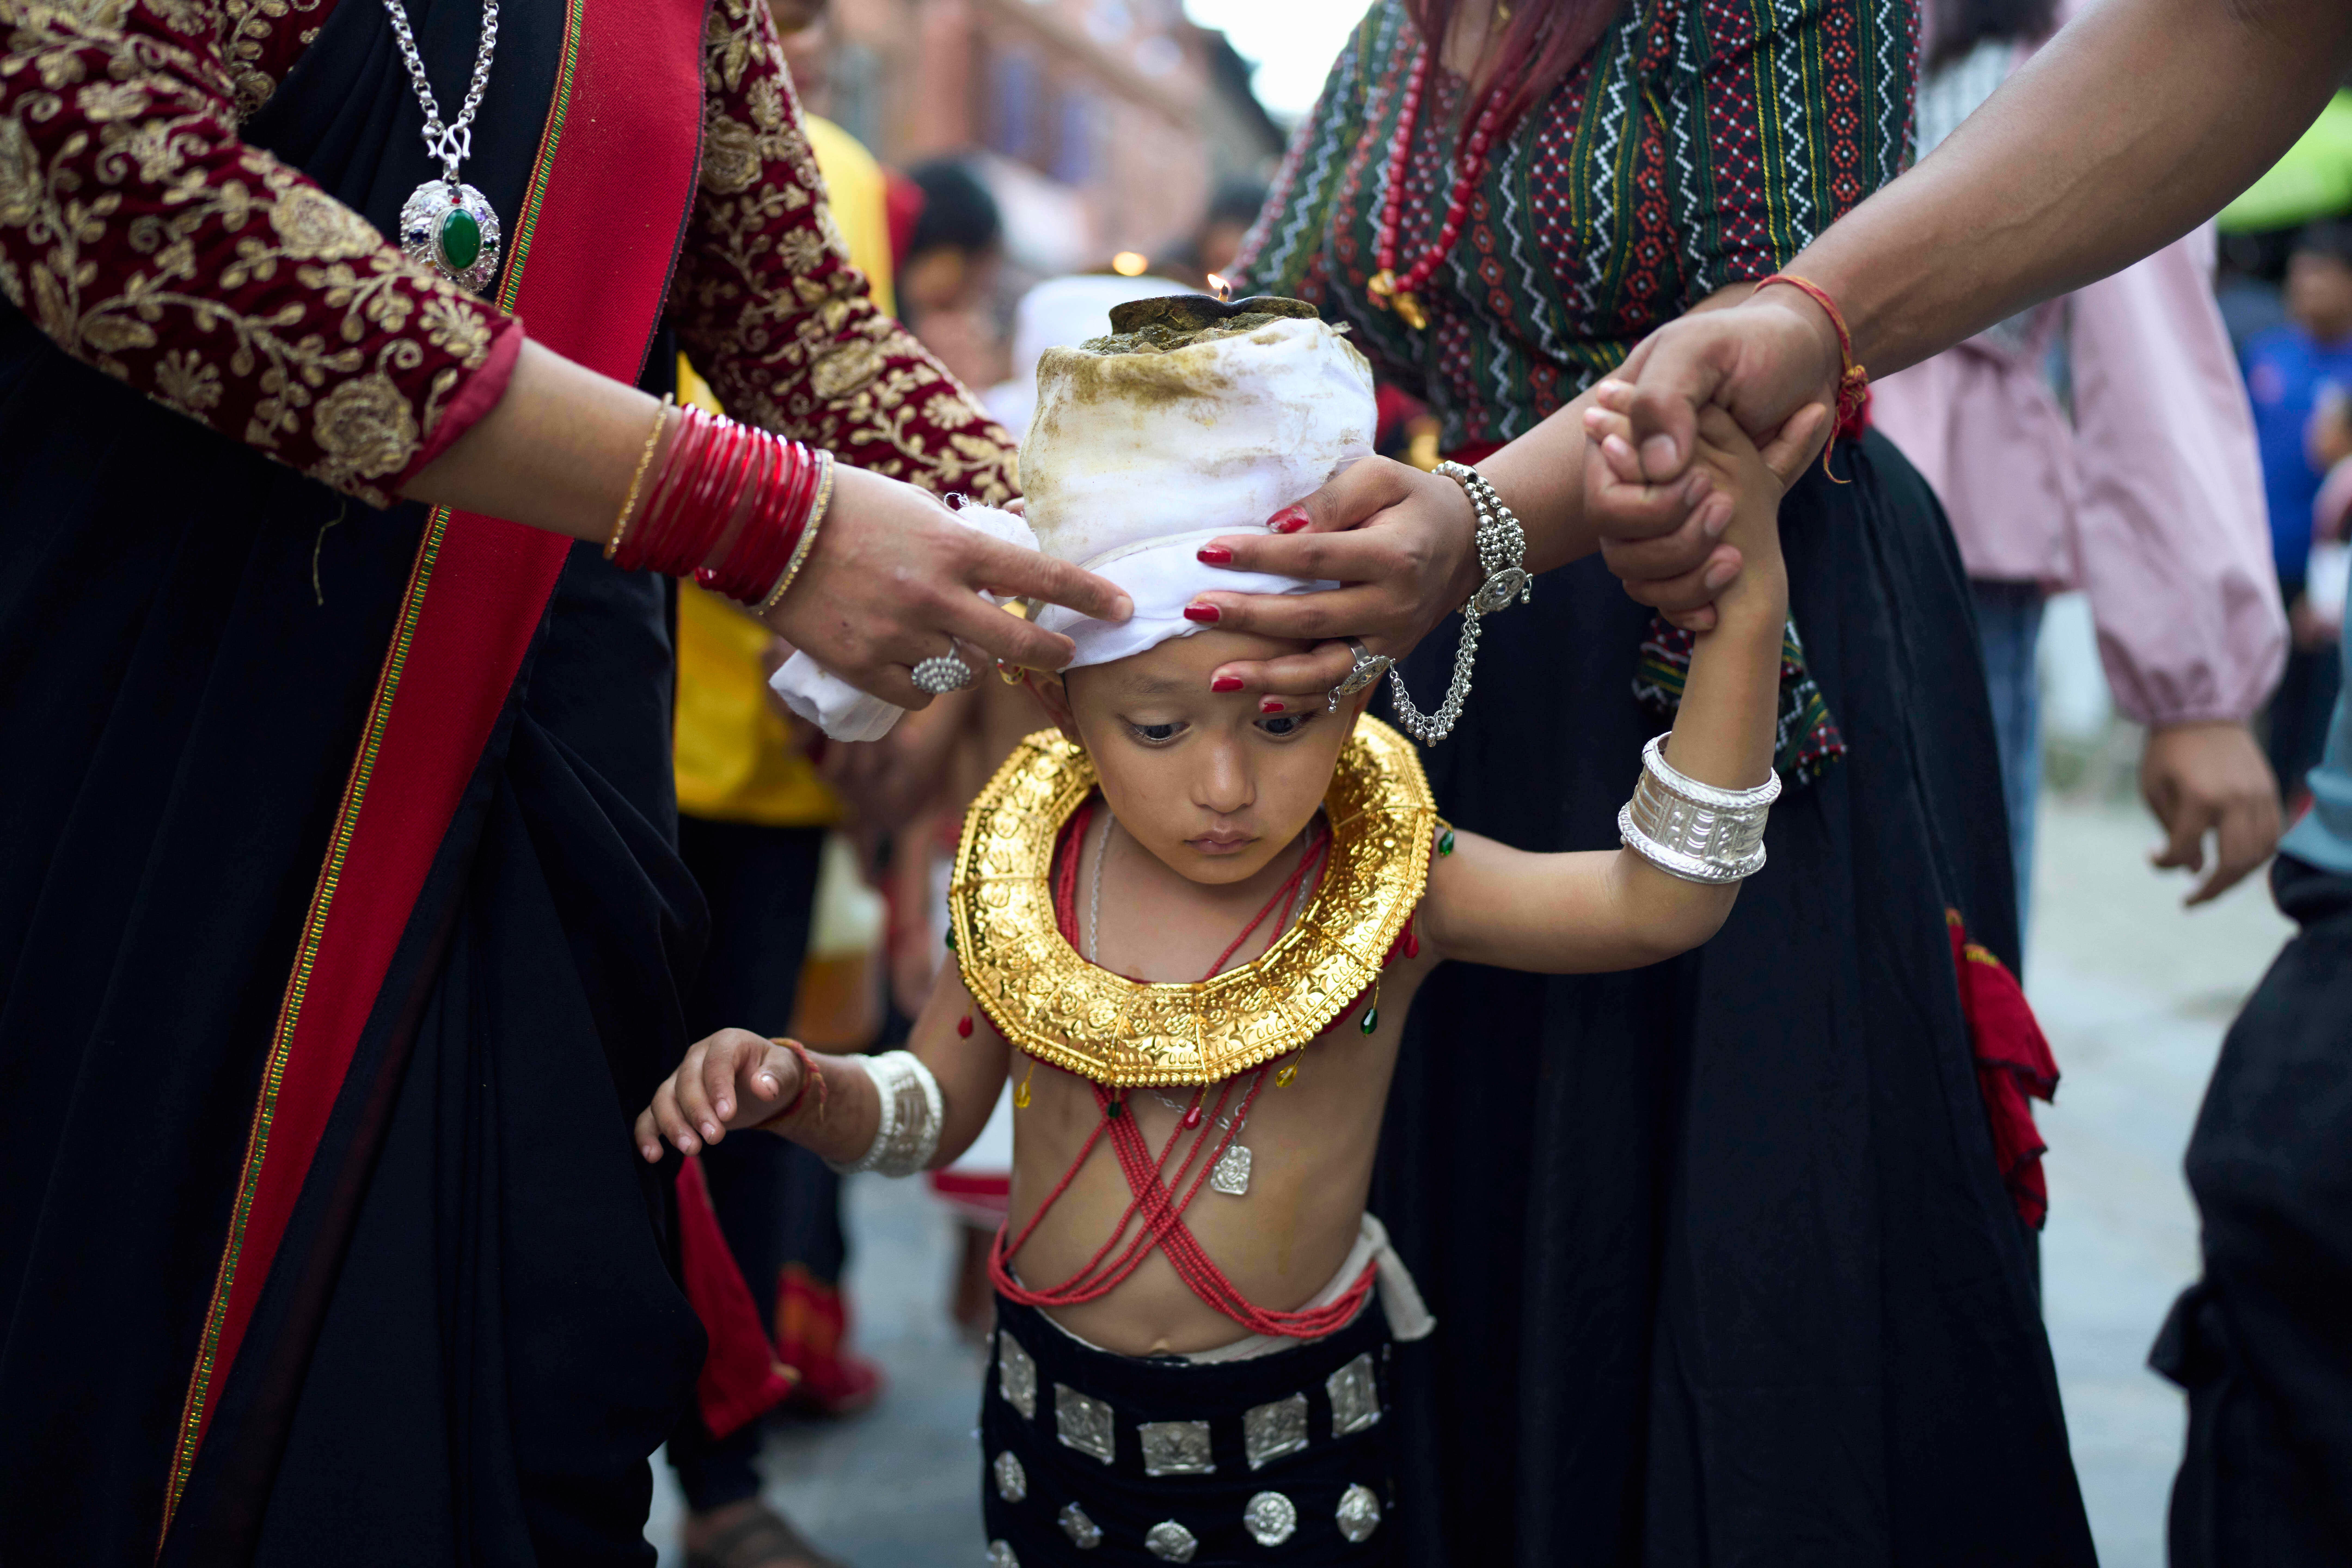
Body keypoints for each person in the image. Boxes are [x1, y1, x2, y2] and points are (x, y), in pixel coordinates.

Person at [0, 0, 1139, 1557]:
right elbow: (92, 178)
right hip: (169, 747)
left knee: (529, 1381)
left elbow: (801, 330)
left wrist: (1149, 576)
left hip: (531, 772)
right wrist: (744, 511)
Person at [636, 293, 1816, 1566]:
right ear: (1058, 696)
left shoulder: (1400, 878)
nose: (1223, 788)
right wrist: (805, 1086)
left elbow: (1660, 900)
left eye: (1282, 721)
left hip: (1300, 1461)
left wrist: (1742, 620)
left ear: (1358, 678)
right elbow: (930, 1106)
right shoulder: (1021, 867)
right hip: (1047, 1441)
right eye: (1157, 727)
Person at [1187, 0, 2095, 1558]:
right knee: (1489, 1190)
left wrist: (1467, 523)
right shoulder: (1393, 43)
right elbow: (1278, 311)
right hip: (1468, 658)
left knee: (1742, 1203)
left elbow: (1769, 344)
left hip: (1733, 612)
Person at [1560, 0, 2352, 1560]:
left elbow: (2136, 283)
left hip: (1919, 588)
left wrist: (2192, 682)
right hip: (1651, 568)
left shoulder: (2026, 31)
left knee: (1912, 1074)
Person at [1870, 0, 2286, 929]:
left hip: (1952, 559)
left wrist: (2197, 690)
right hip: (1718, 529)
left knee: (1940, 953)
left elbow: (2150, 350)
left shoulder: (2077, 37)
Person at [2243, 220, 2352, 805]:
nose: (2306, 286)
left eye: (2322, 274)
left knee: (2319, 707)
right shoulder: (2267, 355)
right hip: (2260, 555)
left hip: (2329, 580)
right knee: (2265, 696)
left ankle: (2302, 816)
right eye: (2300, 273)